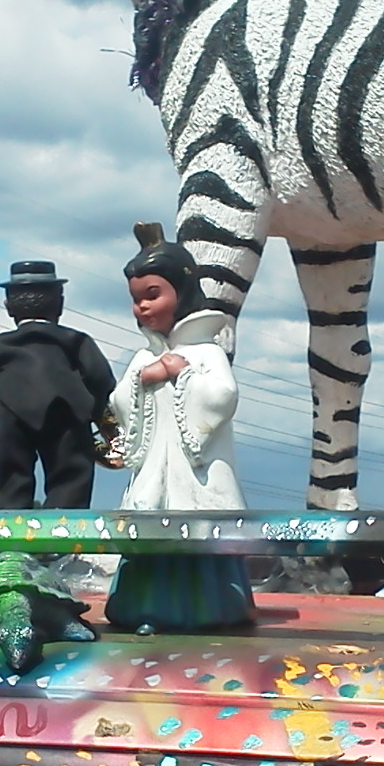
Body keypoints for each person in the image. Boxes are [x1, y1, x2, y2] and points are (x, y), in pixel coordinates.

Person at [104, 224, 253, 632]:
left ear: (181, 291)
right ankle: (145, 609)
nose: (142, 307)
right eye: (136, 299)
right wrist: (141, 380)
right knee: (150, 533)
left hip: (196, 477)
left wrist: (180, 372)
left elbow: (222, 397)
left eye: (152, 295)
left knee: (202, 536)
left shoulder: (206, 351)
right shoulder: (142, 358)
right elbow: (119, 403)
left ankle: (215, 608)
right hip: (154, 475)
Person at [0, 262, 117, 508]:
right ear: (59, 303)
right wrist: (91, 411)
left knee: (13, 471)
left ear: (9, 306)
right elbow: (101, 379)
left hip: (13, 412)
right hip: (68, 410)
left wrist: (3, 411)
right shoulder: (76, 340)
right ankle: (64, 519)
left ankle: (11, 516)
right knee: (70, 473)